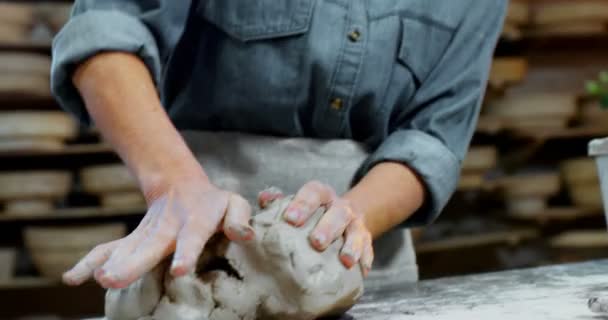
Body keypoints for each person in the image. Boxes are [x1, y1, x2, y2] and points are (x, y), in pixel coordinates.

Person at [51, 0, 507, 290]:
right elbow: (104, 27)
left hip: (360, 263)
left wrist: (350, 218)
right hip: (195, 244)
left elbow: (433, 135)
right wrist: (173, 184)